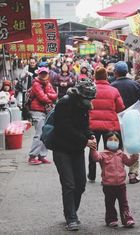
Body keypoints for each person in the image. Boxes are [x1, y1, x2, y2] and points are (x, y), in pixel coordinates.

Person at [52, 78, 97, 231]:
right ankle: (71, 217)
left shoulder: (83, 106)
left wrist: (90, 135)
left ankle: (71, 211)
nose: (89, 101)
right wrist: (85, 141)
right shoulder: (64, 103)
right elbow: (64, 128)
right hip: (62, 149)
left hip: (77, 150)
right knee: (69, 184)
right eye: (87, 98)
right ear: (79, 94)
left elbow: (84, 125)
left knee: (80, 184)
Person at [112, 61, 140, 184]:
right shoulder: (134, 84)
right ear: (127, 71)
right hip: (132, 120)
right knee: (134, 146)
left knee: (117, 147)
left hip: (116, 119)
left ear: (115, 72)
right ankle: (133, 174)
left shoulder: (112, 85)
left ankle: (118, 173)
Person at [89, 132, 137, 228]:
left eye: (116, 140)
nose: (113, 142)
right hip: (108, 185)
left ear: (119, 143)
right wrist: (93, 148)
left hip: (121, 185)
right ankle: (111, 219)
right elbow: (95, 158)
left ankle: (127, 219)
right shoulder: (103, 154)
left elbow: (129, 162)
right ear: (106, 142)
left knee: (124, 203)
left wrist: (135, 156)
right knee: (110, 204)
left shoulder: (121, 154)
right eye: (110, 140)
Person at [88, 67, 125, 182]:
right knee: (110, 150)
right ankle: (108, 173)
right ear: (106, 77)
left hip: (93, 125)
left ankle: (92, 174)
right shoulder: (114, 90)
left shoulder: (90, 90)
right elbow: (120, 108)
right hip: (110, 125)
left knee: (93, 148)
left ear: (95, 76)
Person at [28, 67, 57, 165]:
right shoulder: (36, 84)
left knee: (46, 133)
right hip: (37, 111)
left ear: (48, 74)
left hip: (46, 111)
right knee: (39, 133)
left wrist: (47, 94)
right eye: (42, 73)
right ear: (39, 74)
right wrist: (49, 96)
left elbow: (55, 95)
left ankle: (42, 155)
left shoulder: (48, 83)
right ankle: (32, 156)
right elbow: (43, 98)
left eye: (45, 73)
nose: (44, 75)